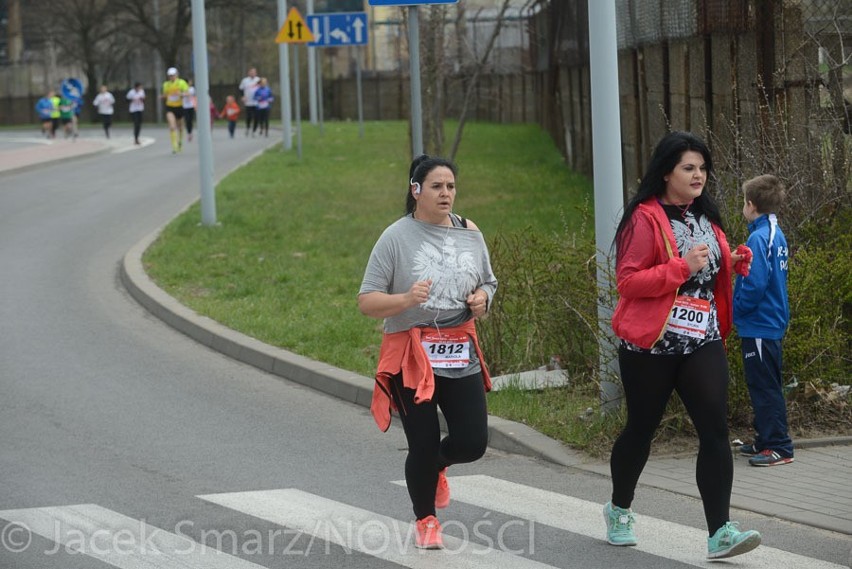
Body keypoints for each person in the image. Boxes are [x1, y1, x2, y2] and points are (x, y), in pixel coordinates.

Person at [606, 131, 760, 560]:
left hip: (701, 341)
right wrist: (679, 268)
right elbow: (628, 281)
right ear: (666, 171)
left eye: (702, 169)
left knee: (715, 430)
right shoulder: (643, 217)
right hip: (650, 348)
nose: (698, 176)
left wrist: (729, 262)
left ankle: (720, 532)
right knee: (641, 430)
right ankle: (619, 508)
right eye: (688, 168)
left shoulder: (705, 217)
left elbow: (704, 267)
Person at [358, 155, 498, 550]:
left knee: (472, 442)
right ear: (415, 190)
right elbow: (367, 301)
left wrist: (483, 298)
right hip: (410, 352)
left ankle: (437, 466)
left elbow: (489, 279)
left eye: (451, 186)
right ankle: (427, 520)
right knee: (422, 440)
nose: (446, 194)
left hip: (458, 348)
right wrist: (404, 299)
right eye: (436, 186)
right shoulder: (396, 237)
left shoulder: (470, 232)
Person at [734, 174, 793, 467]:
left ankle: (779, 446)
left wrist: (739, 309)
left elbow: (756, 283)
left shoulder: (759, 237)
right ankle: (765, 440)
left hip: (759, 322)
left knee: (764, 386)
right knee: (763, 382)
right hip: (767, 322)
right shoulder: (772, 232)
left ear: (751, 204)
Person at [162, 67, 189, 153]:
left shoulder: (181, 83)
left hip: (179, 107)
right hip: (170, 107)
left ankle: (180, 142)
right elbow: (165, 95)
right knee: (172, 126)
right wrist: (164, 96)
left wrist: (181, 94)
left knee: (180, 127)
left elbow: (187, 93)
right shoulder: (166, 84)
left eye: (173, 75)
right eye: (170, 76)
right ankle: (174, 146)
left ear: (176, 75)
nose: (171, 77)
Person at [238, 66, 260, 136]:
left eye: (254, 72)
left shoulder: (258, 80)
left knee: (256, 117)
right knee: (249, 116)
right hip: (248, 102)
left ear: (256, 73)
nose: (253, 73)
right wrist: (242, 96)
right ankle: (247, 128)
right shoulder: (245, 80)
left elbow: (263, 88)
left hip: (257, 102)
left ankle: (254, 131)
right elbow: (240, 89)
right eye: (251, 72)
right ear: (249, 73)